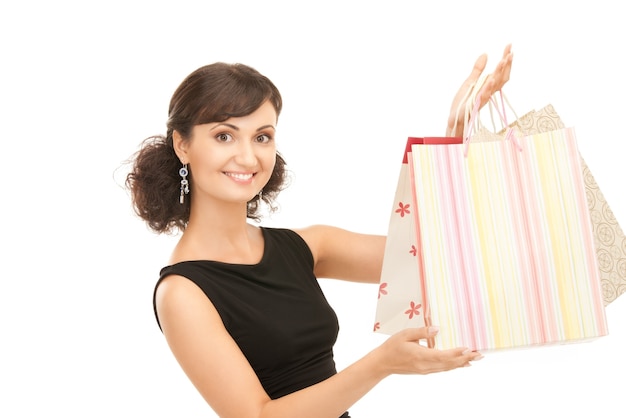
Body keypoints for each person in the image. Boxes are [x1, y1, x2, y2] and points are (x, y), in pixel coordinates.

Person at [125, 45, 513, 418]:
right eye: (224, 135)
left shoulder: (307, 247)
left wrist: (455, 136)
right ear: (182, 145)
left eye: (262, 136)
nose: (247, 156)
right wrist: (381, 364)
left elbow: (437, 253)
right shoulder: (182, 293)